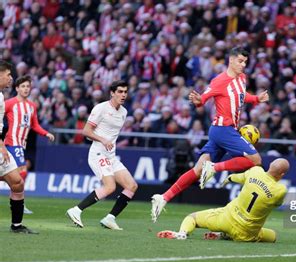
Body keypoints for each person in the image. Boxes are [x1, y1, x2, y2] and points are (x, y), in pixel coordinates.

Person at [151, 47, 269, 222]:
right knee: (256, 160)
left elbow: (242, 96)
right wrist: (197, 100)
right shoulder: (219, 81)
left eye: (245, 62)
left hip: (222, 132)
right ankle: (214, 168)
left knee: (198, 170)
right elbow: (202, 101)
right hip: (223, 130)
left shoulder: (242, 78)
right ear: (230, 60)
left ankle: (164, 197)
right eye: (240, 61)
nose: (243, 65)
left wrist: (256, 99)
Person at [157, 158, 289, 242]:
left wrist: (228, 178)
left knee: (192, 218)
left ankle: (182, 233)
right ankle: (224, 235)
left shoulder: (255, 171)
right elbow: (277, 204)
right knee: (273, 236)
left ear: (270, 165)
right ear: (282, 174)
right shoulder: (280, 190)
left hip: (226, 219)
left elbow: (239, 177)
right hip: (247, 233)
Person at [66, 80, 138, 230]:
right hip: (98, 152)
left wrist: (108, 143)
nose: (123, 95)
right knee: (110, 187)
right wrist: (103, 140)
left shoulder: (124, 112)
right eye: (120, 91)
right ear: (112, 93)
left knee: (131, 185)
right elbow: (86, 132)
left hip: (111, 155)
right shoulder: (101, 108)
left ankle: (110, 219)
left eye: (125, 92)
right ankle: (76, 210)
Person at [4, 75, 55, 214]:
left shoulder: (32, 106)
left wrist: (46, 133)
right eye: (23, 86)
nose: (26, 89)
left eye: (28, 86)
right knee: (22, 172)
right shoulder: (9, 103)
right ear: (17, 88)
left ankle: (16, 201)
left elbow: (35, 125)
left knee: (16, 174)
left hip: (21, 144)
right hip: (12, 142)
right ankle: (19, 203)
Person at [0, 61, 37, 233]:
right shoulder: (8, 101)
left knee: (17, 183)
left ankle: (16, 226)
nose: (10, 78)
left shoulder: (1, 97)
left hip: (1, 147)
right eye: (8, 74)